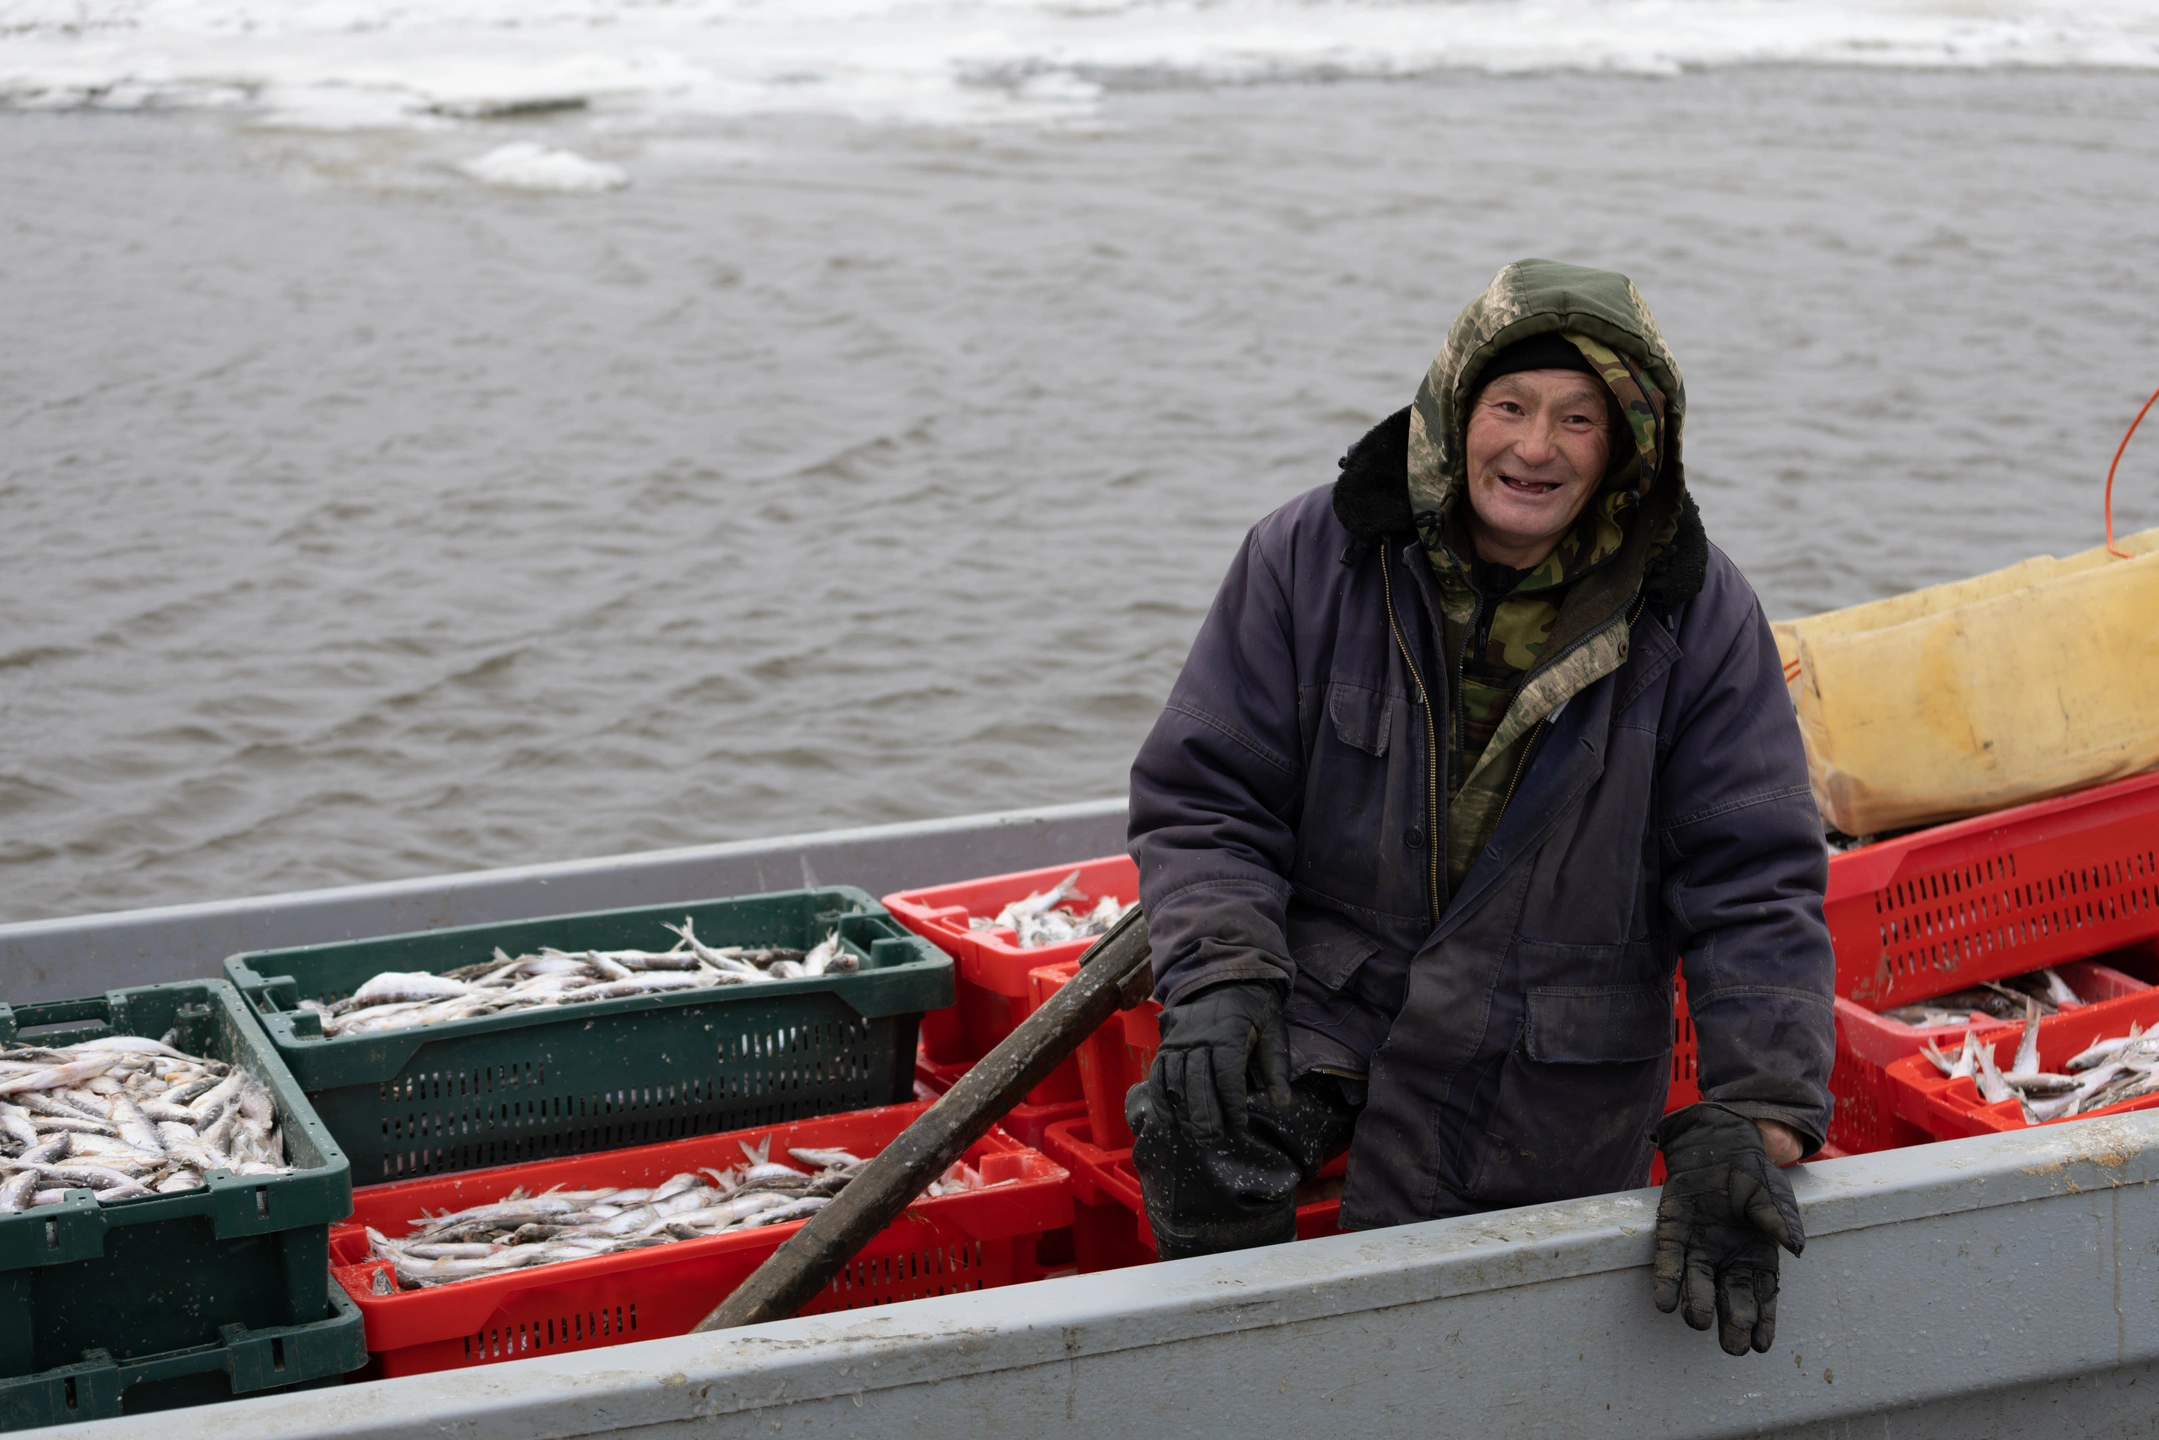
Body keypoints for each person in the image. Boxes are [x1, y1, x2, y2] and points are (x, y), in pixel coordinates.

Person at [1124, 258, 1835, 1358]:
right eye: (1507, 406)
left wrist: (1757, 1113)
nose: (1533, 447)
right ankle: (1247, 1372)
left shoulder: (1697, 616)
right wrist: (1220, 979)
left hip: (1549, 1058)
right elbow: (1206, 799)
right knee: (1195, 1108)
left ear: (1629, 446)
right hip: (1334, 1009)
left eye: (1577, 419)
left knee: (1492, 1346)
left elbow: (1753, 876)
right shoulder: (1308, 558)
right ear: (1454, 410)